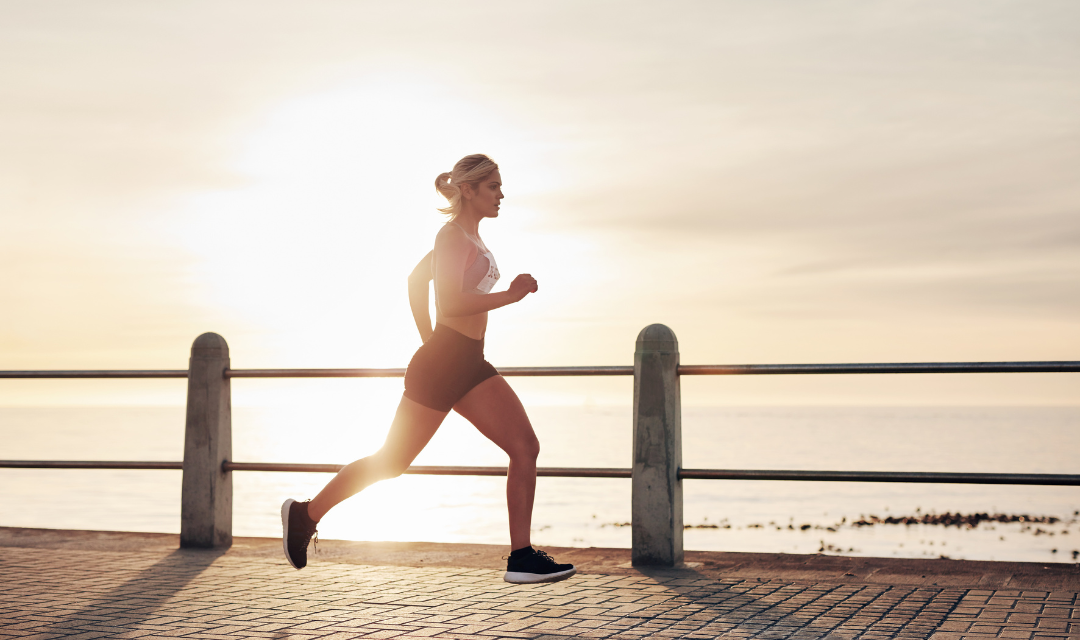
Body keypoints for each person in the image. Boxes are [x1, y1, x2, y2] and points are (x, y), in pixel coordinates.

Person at [281, 153, 576, 584]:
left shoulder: (469, 239)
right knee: (391, 462)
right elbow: (451, 302)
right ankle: (304, 515)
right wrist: (506, 298)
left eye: (500, 186)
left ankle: (521, 556)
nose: (501, 194)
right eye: (493, 186)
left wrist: (432, 339)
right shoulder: (451, 236)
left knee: (524, 446)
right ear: (470, 190)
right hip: (444, 363)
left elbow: (417, 283)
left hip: (468, 362)